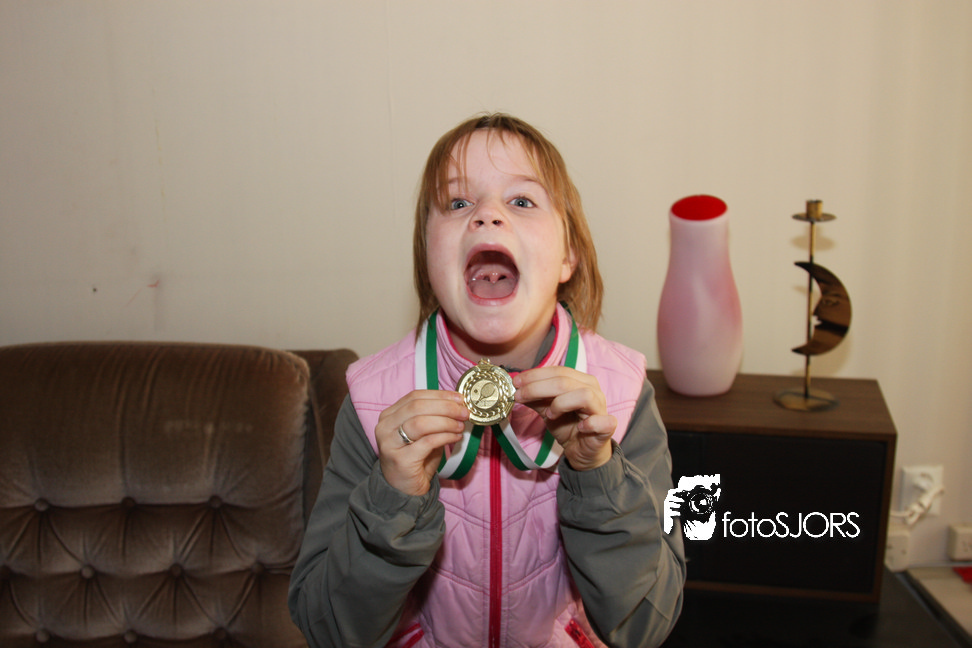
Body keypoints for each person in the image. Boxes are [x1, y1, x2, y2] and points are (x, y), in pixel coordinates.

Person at [289, 113, 685, 647]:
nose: (487, 215)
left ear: (567, 256)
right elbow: (325, 629)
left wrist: (598, 475)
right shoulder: (373, 404)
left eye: (522, 200)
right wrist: (392, 499)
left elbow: (647, 626)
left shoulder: (624, 395)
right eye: (457, 203)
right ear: (428, 258)